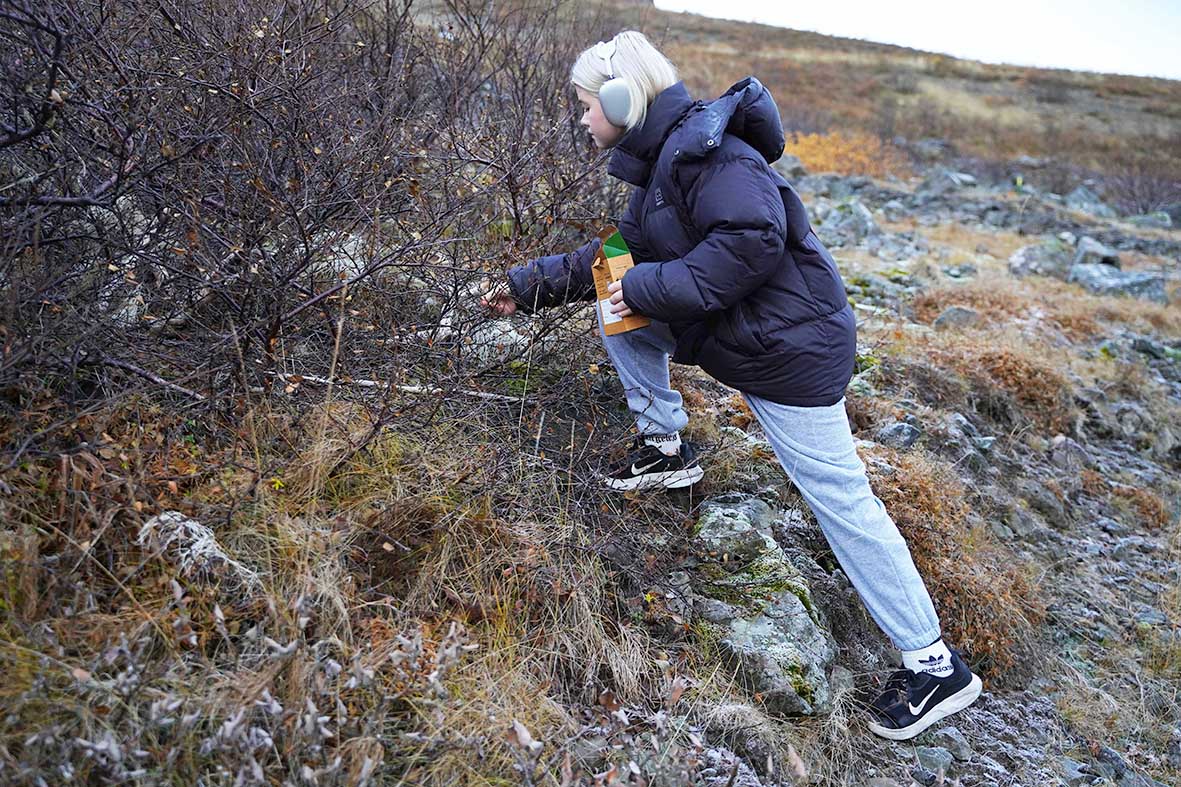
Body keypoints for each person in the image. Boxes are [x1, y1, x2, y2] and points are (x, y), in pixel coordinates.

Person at [481, 30, 981, 740]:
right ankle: (665, 449)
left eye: (587, 105)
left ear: (624, 101)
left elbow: (751, 239)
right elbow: (620, 255)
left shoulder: (713, 153)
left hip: (789, 350)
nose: (581, 119)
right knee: (612, 289)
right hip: (752, 336)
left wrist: (647, 287)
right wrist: (525, 286)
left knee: (839, 499)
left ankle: (934, 665)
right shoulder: (664, 162)